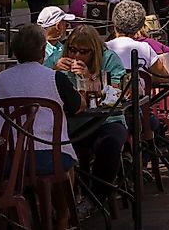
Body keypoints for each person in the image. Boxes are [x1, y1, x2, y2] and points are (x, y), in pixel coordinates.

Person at [0, 24, 80, 228]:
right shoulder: (54, 77)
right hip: (48, 157)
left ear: (15, 52)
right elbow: (76, 106)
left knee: (59, 160)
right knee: (66, 165)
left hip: (9, 158)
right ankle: (62, 219)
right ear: (43, 51)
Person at [52, 24, 128, 220]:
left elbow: (118, 91)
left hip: (106, 119)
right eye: (73, 49)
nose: (76, 55)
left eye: (83, 52)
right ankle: (61, 206)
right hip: (70, 122)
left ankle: (95, 199)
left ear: (94, 51)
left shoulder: (109, 58)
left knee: (109, 143)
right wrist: (52, 68)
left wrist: (89, 78)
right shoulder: (58, 56)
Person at [106, 1, 169, 78]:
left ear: (114, 23)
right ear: (139, 26)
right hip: (141, 89)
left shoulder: (102, 49)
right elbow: (163, 77)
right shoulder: (145, 48)